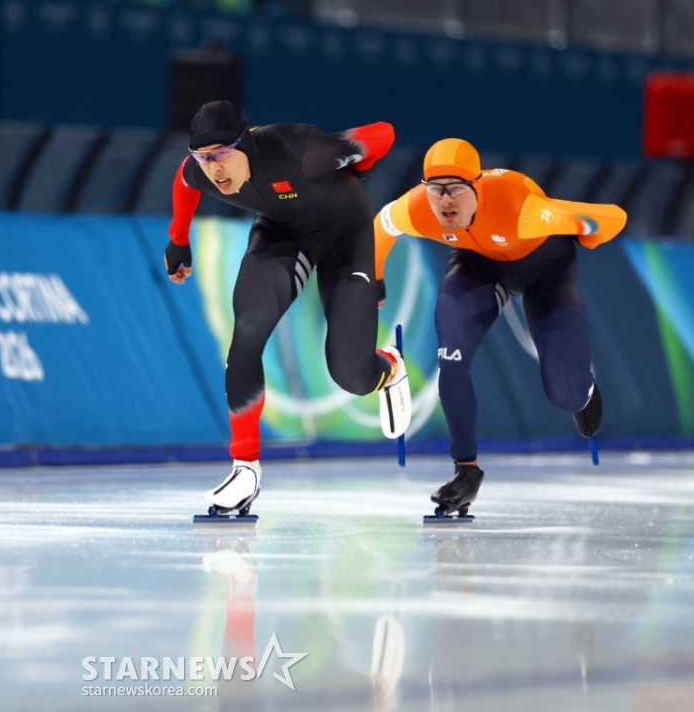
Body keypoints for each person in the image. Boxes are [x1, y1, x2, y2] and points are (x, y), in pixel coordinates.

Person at [166, 101, 411, 517]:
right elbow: (183, 181)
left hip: (345, 237)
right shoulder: (201, 171)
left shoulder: (304, 154)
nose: (215, 169)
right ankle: (245, 467)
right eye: (204, 158)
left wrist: (358, 166)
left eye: (223, 154)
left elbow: (384, 132)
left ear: (244, 143)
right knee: (247, 331)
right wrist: (178, 241)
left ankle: (387, 366)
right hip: (282, 233)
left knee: (351, 375)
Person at [373, 138, 627, 517]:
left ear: (477, 186)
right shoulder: (417, 208)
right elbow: (381, 224)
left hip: (548, 272)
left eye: (456, 189)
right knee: (452, 358)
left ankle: (582, 390)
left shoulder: (521, 206)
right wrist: (374, 278)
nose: (445, 201)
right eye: (436, 190)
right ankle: (465, 470)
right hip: (480, 267)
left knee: (565, 394)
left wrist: (589, 233)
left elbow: (612, 217)